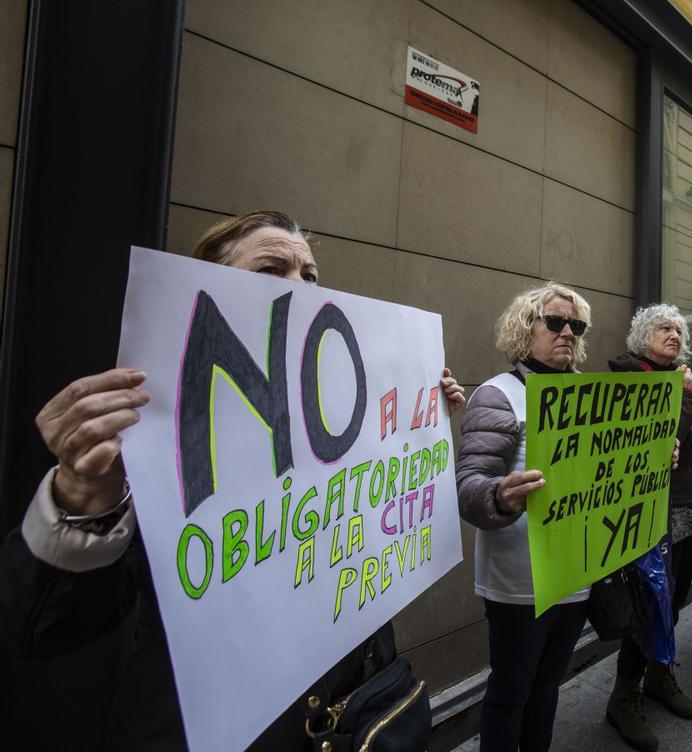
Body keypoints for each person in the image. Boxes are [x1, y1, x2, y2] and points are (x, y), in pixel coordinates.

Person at [0, 211, 467, 750]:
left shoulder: (341, 409)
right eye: (271, 270)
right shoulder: (161, 426)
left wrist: (416, 428)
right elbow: (45, 628)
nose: (299, 288)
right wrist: (81, 498)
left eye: (309, 276)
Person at [456, 282, 593, 752]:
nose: (567, 333)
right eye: (554, 322)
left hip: (576, 573)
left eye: (575, 325)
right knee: (511, 691)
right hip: (519, 580)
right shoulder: (497, 396)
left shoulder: (592, 394)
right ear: (524, 328)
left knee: (548, 685)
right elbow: (469, 486)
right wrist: (499, 494)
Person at [604, 304, 692, 751]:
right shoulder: (628, 379)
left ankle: (659, 676)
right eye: (664, 327)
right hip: (647, 512)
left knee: (675, 599)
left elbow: (687, 438)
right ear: (642, 336)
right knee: (647, 604)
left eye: (679, 330)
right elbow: (660, 441)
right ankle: (623, 698)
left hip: (684, 506)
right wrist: (687, 401)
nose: (674, 335)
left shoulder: (680, 378)